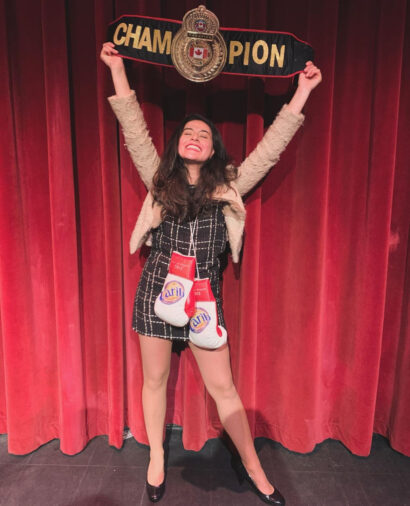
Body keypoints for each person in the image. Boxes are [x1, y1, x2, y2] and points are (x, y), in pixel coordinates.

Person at [101, 41, 321, 504]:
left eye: (204, 132)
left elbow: (271, 147)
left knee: (225, 390)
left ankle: (256, 471)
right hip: (156, 293)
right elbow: (134, 129)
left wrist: (300, 93)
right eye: (188, 132)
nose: (195, 135)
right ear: (178, 146)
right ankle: (157, 459)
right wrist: (117, 70)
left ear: (213, 147)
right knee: (154, 380)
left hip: (203, 298)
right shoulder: (158, 179)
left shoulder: (229, 184)